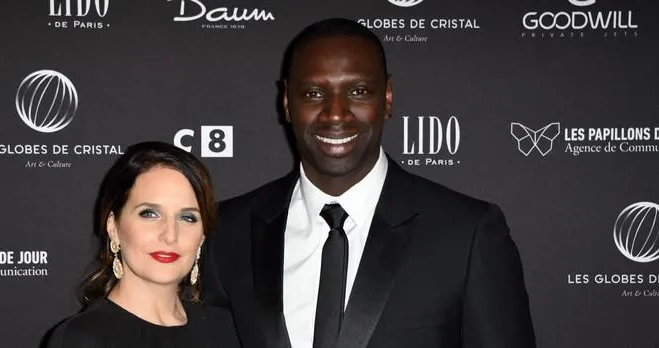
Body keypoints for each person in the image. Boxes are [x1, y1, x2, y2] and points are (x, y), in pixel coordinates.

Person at [204, 18, 536, 348]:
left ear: (387, 97)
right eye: (313, 93)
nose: (336, 114)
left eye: (358, 92)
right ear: (288, 103)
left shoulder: (467, 233)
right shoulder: (227, 232)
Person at [49, 141, 241, 348]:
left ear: (202, 235)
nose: (170, 235)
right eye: (150, 214)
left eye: (187, 217)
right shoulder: (82, 339)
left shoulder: (228, 329)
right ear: (113, 227)